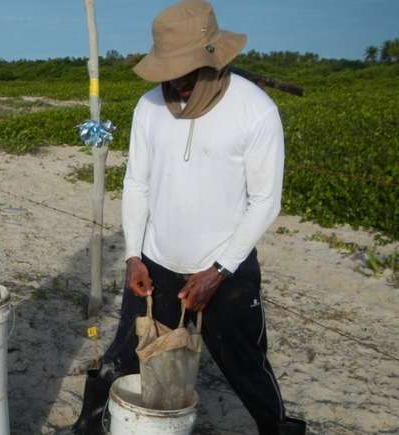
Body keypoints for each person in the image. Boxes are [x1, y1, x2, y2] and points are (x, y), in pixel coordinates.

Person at [70, 1, 306, 434]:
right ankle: (87, 427)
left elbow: (265, 201)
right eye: (167, 71)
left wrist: (217, 271)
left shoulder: (255, 111)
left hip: (226, 271)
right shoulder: (148, 108)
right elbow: (137, 184)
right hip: (156, 265)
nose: (175, 82)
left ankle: (278, 429)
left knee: (246, 366)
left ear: (213, 59)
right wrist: (134, 257)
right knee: (123, 358)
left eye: (185, 70)